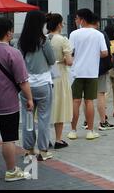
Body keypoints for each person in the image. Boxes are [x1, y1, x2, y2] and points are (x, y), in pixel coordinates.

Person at [0, 18, 33, 181]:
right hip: (8, 105)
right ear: (8, 33)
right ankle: (11, 171)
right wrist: (30, 99)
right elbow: (23, 81)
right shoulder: (13, 53)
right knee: (9, 139)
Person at [18, 10, 56, 161]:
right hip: (43, 84)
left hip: (26, 85)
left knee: (27, 118)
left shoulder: (20, 41)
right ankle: (43, 150)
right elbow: (52, 60)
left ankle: (28, 150)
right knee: (43, 118)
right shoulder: (44, 41)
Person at [67, 9, 108, 141]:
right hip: (92, 72)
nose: (76, 21)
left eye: (77, 18)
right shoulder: (98, 35)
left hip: (76, 72)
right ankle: (90, 131)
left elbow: (70, 51)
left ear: (83, 20)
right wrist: (94, 54)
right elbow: (105, 53)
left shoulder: (74, 34)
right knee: (89, 101)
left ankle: (73, 131)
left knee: (76, 101)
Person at [46, 13, 73, 149]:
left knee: (46, 109)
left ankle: (45, 139)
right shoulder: (62, 40)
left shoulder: (43, 39)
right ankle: (58, 139)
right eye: (62, 23)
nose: (63, 25)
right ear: (58, 24)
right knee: (60, 106)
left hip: (45, 77)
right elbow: (69, 61)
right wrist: (60, 60)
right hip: (60, 76)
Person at [91, 16, 114, 131]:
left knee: (87, 97)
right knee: (100, 94)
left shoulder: (77, 34)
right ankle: (102, 122)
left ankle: (87, 122)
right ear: (97, 23)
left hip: (85, 70)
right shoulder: (101, 34)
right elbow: (107, 53)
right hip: (100, 68)